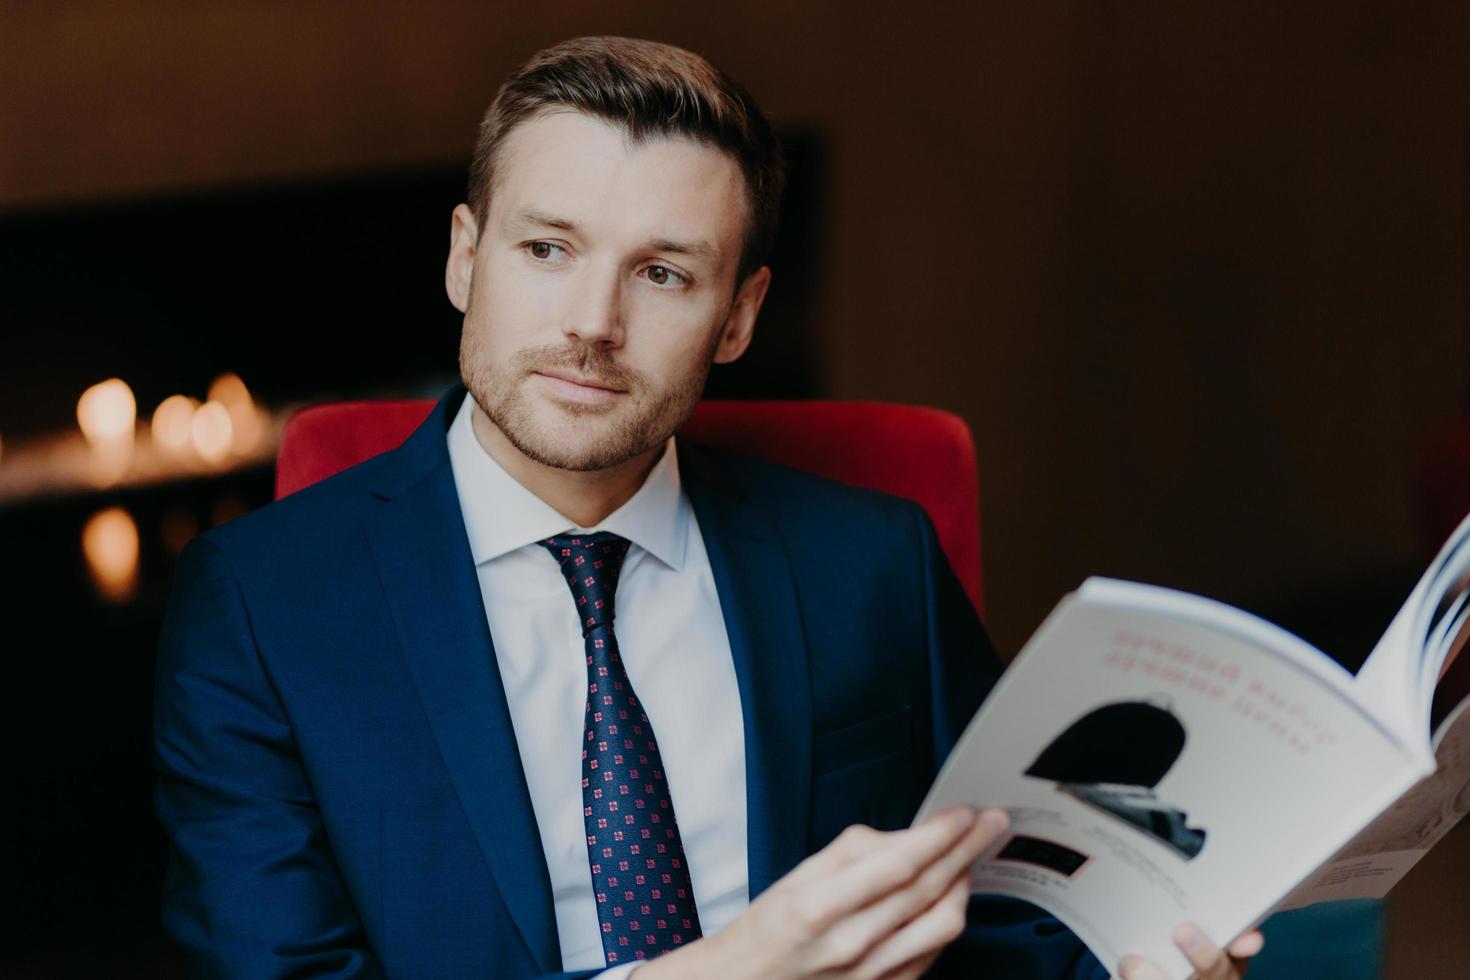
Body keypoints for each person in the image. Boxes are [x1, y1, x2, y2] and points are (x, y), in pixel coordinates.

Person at [153, 35, 1262, 979]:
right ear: (465, 257)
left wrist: (1143, 954)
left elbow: (1021, 912)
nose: (593, 320)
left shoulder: (872, 562)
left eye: (666, 274)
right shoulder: (257, 607)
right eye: (548, 249)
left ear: (739, 315)